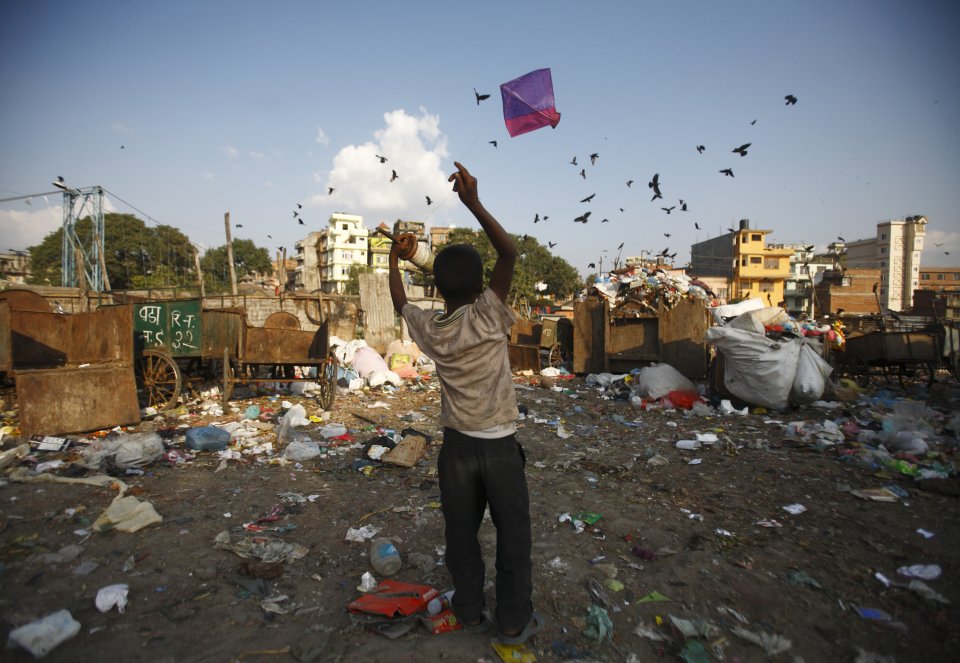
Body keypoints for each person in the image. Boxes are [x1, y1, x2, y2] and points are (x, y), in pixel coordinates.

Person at [388, 162, 544, 644]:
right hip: (499, 448)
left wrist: (393, 259)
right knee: (512, 535)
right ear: (482, 288)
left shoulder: (431, 329)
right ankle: (513, 620)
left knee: (461, 533)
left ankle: (471, 609)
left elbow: (398, 301)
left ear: (437, 290)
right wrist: (472, 202)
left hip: (456, 449)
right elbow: (510, 251)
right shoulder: (488, 316)